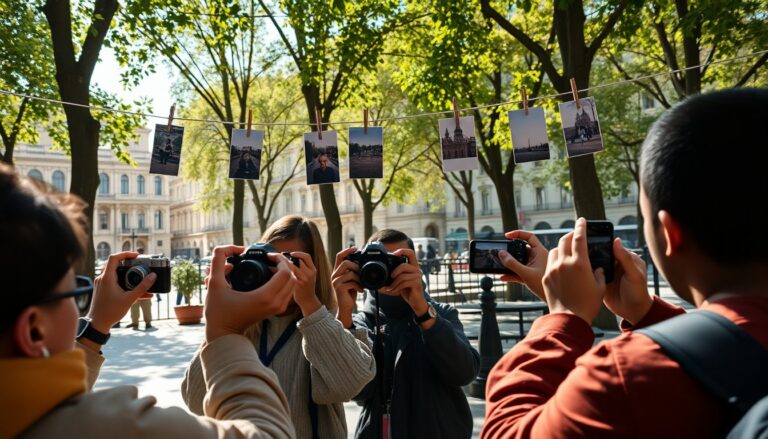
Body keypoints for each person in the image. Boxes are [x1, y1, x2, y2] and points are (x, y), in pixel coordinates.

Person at [481, 88, 768, 438]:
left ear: (669, 233)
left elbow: (504, 431)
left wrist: (564, 318)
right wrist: (646, 313)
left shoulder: (626, 375)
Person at [0, 164, 295, 438]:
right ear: (34, 330)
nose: (81, 305)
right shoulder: (112, 426)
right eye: (75, 293)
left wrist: (96, 328)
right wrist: (225, 333)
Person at [182, 215, 376, 438]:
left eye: (289, 263)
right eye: (272, 262)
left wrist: (310, 306)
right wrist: (223, 324)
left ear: (314, 271)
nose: (279, 274)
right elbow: (195, 401)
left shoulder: (324, 324)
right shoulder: (239, 327)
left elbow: (349, 386)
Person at [333, 229, 480, 438]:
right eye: (379, 261)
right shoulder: (359, 323)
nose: (388, 271)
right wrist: (344, 314)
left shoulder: (441, 314)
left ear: (414, 265)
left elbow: (464, 373)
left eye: (396, 261)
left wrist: (422, 310)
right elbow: (357, 391)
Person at [126, 248, 153, 330]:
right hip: (134, 291)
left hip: (145, 292)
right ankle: (135, 323)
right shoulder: (133, 263)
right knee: (134, 309)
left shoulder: (148, 263)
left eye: (141, 252)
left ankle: (148, 323)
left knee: (146, 308)